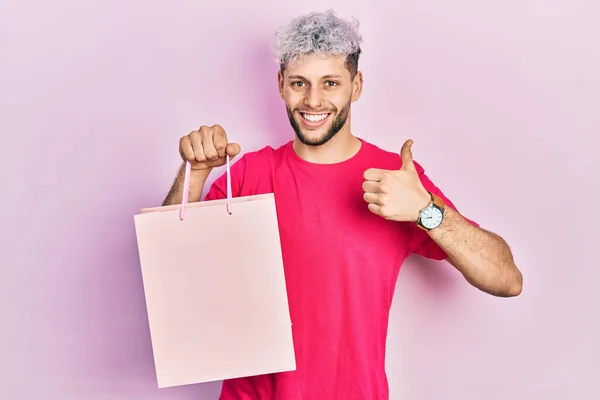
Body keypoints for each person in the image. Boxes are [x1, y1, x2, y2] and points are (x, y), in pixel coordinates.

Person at [161, 9, 523, 400]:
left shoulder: (396, 180)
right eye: (300, 83)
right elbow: (165, 271)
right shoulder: (250, 174)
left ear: (356, 85)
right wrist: (193, 175)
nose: (313, 100)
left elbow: (506, 280)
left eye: (330, 82)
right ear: (281, 84)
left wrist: (425, 211)